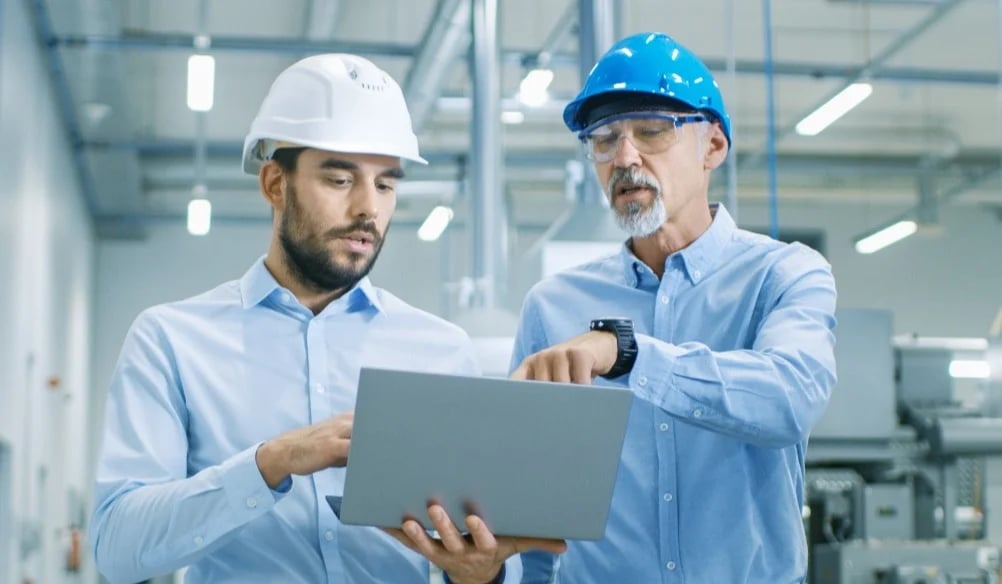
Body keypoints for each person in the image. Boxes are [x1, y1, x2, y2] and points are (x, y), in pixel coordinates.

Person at [89, 54, 561, 584]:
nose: (368, 208)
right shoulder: (172, 341)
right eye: (340, 180)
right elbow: (117, 548)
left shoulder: (441, 351)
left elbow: (492, 556)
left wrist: (480, 573)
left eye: (385, 185)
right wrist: (271, 463)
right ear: (274, 184)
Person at [508, 32, 838, 583]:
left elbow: (791, 397)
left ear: (712, 147)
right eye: (604, 139)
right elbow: (536, 511)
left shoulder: (783, 275)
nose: (624, 157)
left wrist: (630, 354)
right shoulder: (552, 308)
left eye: (652, 131)